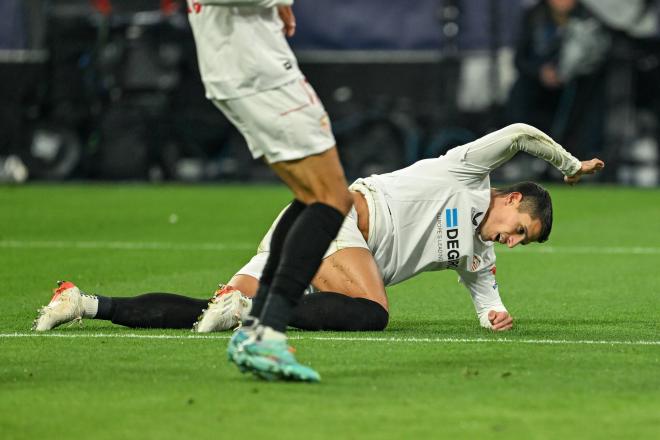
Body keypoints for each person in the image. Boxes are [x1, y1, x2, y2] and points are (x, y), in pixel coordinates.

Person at [33, 123, 605, 341]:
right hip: (336, 220)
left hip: (306, 226)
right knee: (373, 312)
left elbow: (484, 293)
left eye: (520, 243)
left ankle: (84, 303)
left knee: (208, 308)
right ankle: (250, 314)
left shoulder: (477, 255)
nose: (511, 240)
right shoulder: (466, 171)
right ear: (509, 198)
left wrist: (492, 316)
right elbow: (523, 132)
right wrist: (568, 165)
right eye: (518, 227)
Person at [183, 0, 355, 381]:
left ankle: (256, 327)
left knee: (314, 196)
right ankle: (268, 332)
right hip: (256, 69)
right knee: (332, 197)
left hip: (242, 62)